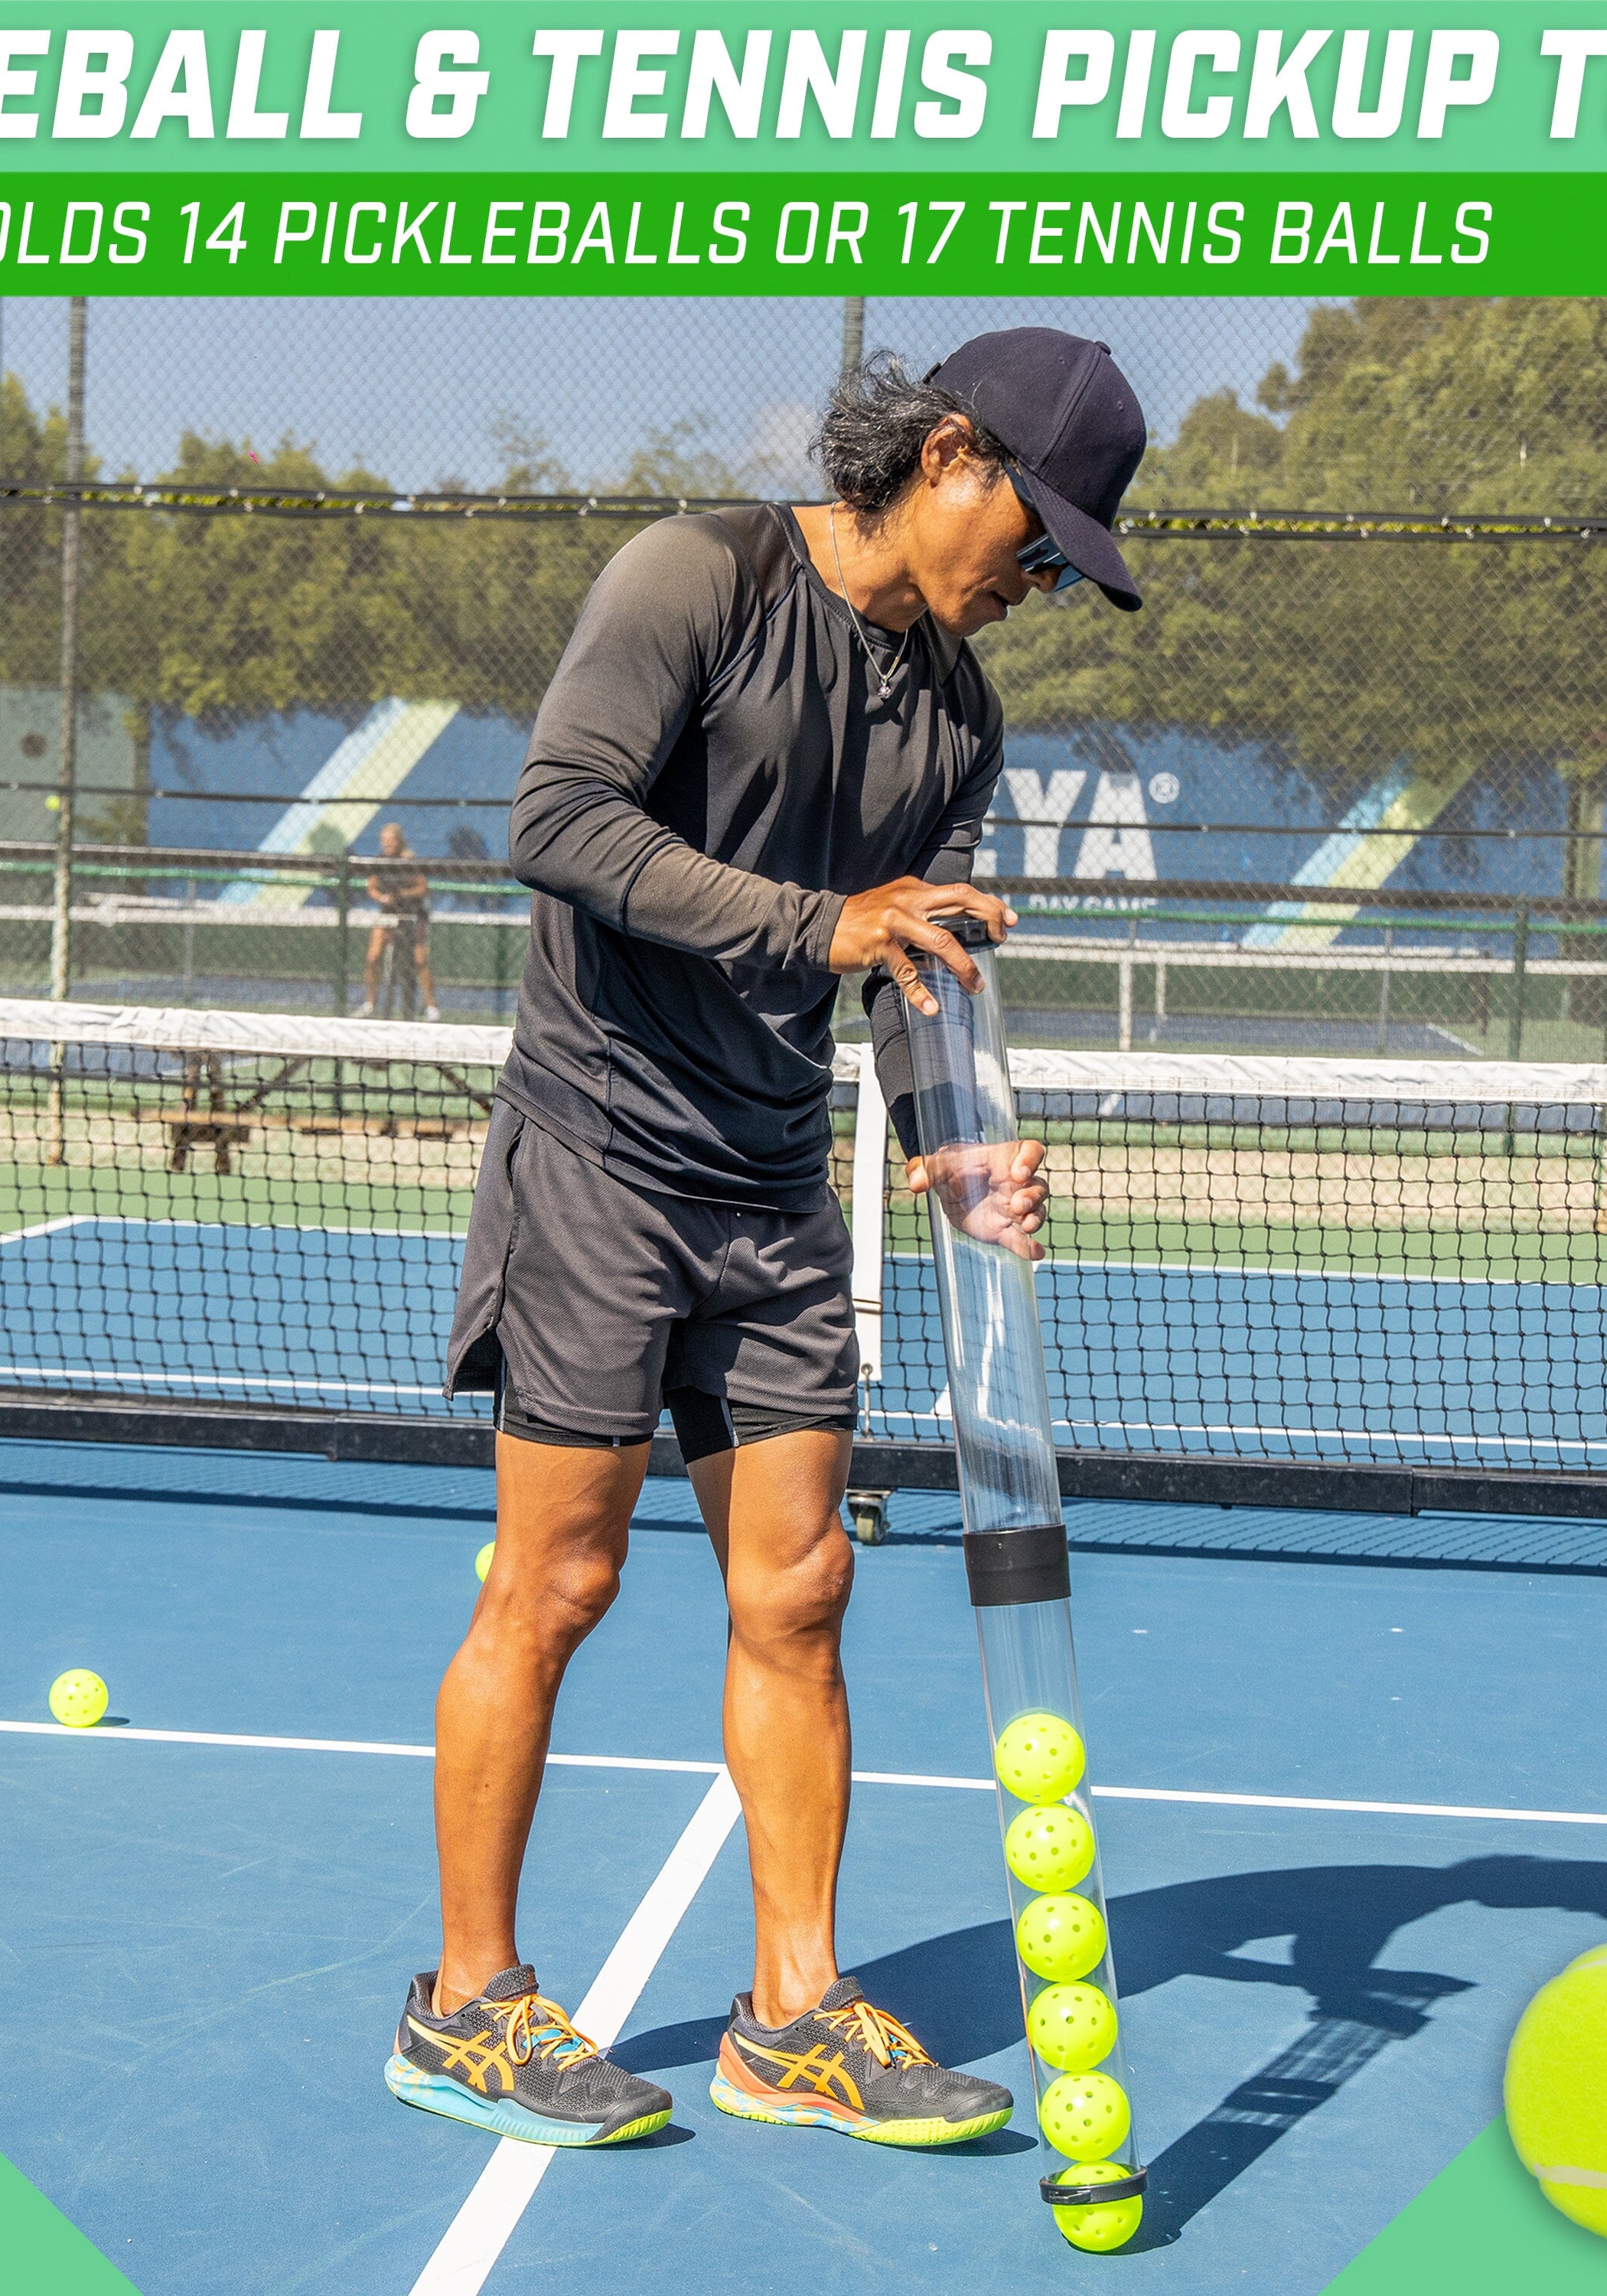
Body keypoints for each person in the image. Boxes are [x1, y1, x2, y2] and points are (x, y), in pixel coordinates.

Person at [388, 331, 1148, 2151]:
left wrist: (952, 1145)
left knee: (799, 1589)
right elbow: (555, 822)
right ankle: (465, 2002)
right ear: (947, 455)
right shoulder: (697, 578)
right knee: (555, 1583)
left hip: (770, 1183)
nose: (1037, 581)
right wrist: (819, 921)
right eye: (1035, 537)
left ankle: (789, 2012)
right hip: (594, 1158)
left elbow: (907, 961)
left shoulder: (954, 712)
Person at [358, 820, 440, 1021]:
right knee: (373, 956)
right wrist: (382, 897)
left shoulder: (409, 861)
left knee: (419, 959)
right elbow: (371, 888)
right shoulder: (379, 861)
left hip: (412, 915)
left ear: (399, 841)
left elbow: (423, 888)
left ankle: (431, 1006)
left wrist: (403, 895)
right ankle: (370, 1002)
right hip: (387, 914)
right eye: (384, 841)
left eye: (391, 841)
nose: (387, 845)